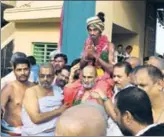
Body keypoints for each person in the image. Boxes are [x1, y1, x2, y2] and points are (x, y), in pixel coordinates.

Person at [21, 63, 69, 136]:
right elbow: (36, 118)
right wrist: (59, 111)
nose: (45, 79)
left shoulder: (58, 90)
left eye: (49, 76)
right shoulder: (31, 92)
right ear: (38, 76)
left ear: (53, 76)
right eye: (42, 76)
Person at [1, 58, 33, 136]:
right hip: (10, 131)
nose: (23, 73)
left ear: (30, 69)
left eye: (25, 69)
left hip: (30, 131)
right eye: (19, 70)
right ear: (14, 71)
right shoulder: (9, 88)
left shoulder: (35, 88)